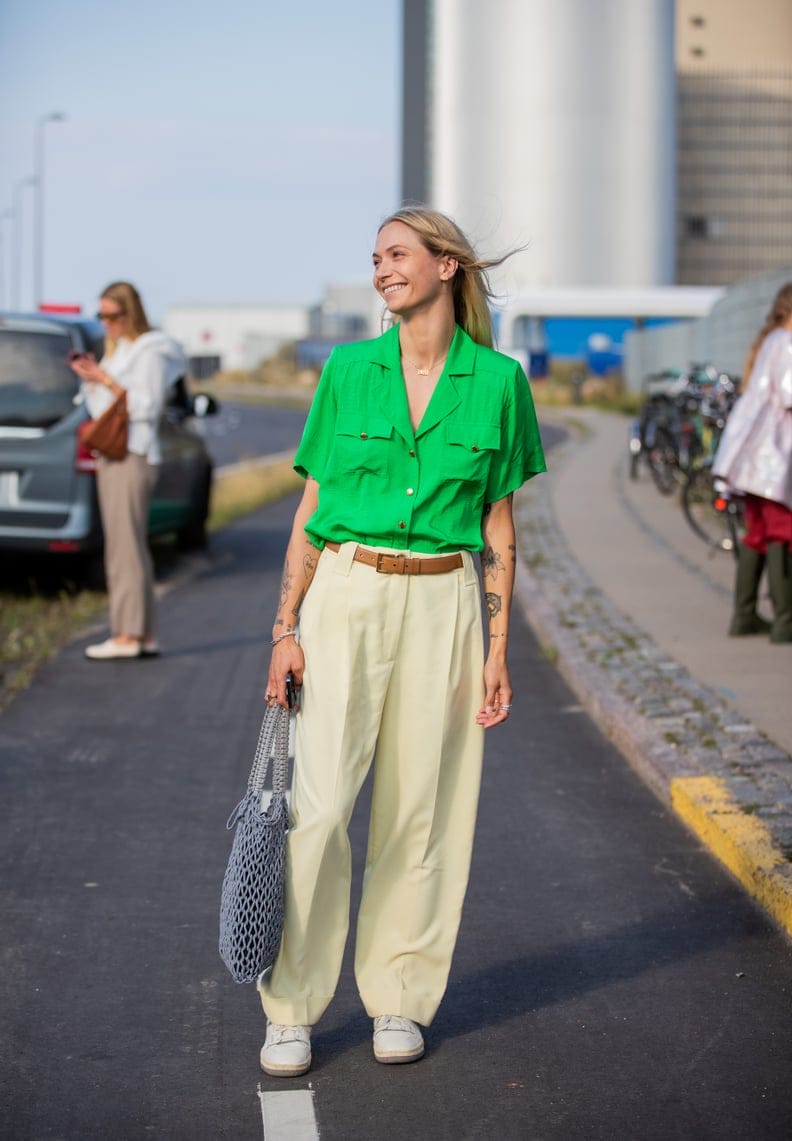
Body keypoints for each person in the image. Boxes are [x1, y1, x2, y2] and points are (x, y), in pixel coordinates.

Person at [257, 206, 547, 1077]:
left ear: (446, 265)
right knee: (316, 811)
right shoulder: (348, 370)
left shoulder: (500, 382)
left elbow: (499, 527)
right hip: (346, 592)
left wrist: (497, 648)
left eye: (396, 253)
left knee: (422, 813)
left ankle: (398, 996)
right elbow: (311, 511)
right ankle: (291, 1007)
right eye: (376, 258)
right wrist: (285, 629)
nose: (382, 269)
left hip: (445, 602)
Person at [69, 282, 186, 660]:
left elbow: (146, 405)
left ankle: (128, 635)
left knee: (125, 549)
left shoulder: (148, 351)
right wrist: (94, 379)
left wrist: (104, 379)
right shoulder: (118, 351)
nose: (106, 323)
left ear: (130, 313)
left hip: (131, 455)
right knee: (126, 547)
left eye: (113, 315)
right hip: (116, 455)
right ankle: (140, 634)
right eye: (101, 315)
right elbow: (100, 409)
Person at [713, 282, 792, 643]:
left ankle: (744, 615)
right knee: (782, 532)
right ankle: (785, 620)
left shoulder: (769, 341)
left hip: (750, 455)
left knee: (757, 533)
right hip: (773, 457)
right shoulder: (787, 343)